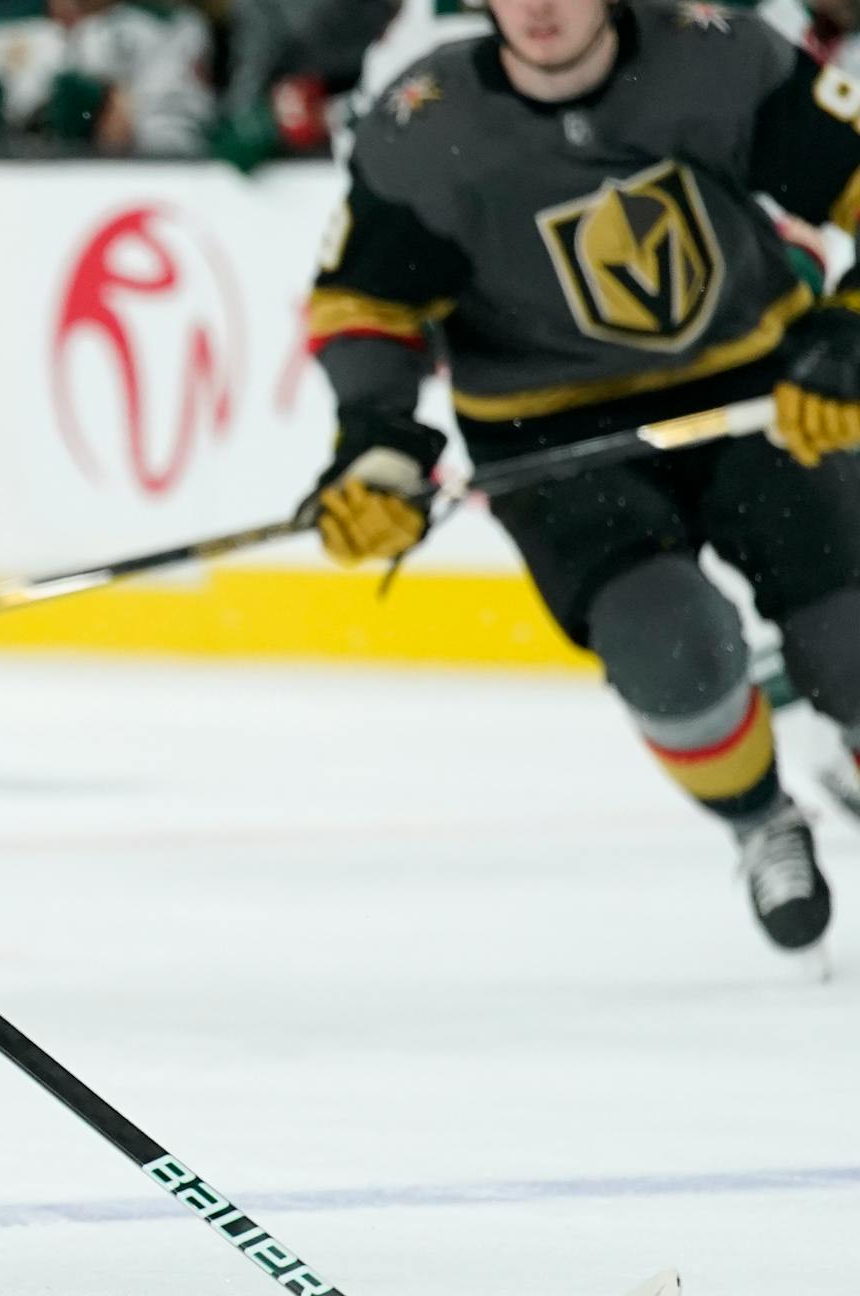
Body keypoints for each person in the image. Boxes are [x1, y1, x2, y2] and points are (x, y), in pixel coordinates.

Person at [301, 0, 860, 955]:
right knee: (672, 650)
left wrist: (846, 337)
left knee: (850, 642)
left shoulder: (713, 56)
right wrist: (377, 448)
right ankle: (760, 817)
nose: (541, 8)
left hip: (753, 390)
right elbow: (367, 303)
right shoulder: (427, 120)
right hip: (547, 431)